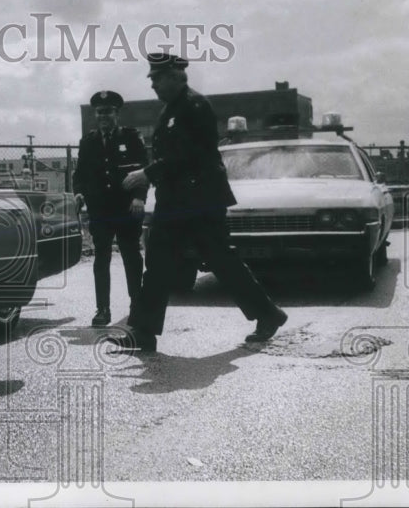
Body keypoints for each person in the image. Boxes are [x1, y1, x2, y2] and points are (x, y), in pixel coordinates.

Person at [109, 53, 288, 353]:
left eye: (158, 77)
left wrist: (147, 173)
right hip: (176, 200)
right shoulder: (171, 110)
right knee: (157, 263)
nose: (152, 83)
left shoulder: (194, 106)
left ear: (177, 76)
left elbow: (188, 155)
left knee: (221, 260)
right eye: (152, 78)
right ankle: (143, 332)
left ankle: (268, 314)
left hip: (201, 200)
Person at [73, 90, 147, 327]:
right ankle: (102, 309)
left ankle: (137, 306)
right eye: (100, 112)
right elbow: (80, 175)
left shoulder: (132, 138)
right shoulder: (88, 142)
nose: (103, 116)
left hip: (126, 209)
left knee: (131, 257)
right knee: (101, 259)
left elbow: (144, 171)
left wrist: (139, 198)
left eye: (108, 112)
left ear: (117, 113)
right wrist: (78, 193)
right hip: (100, 211)